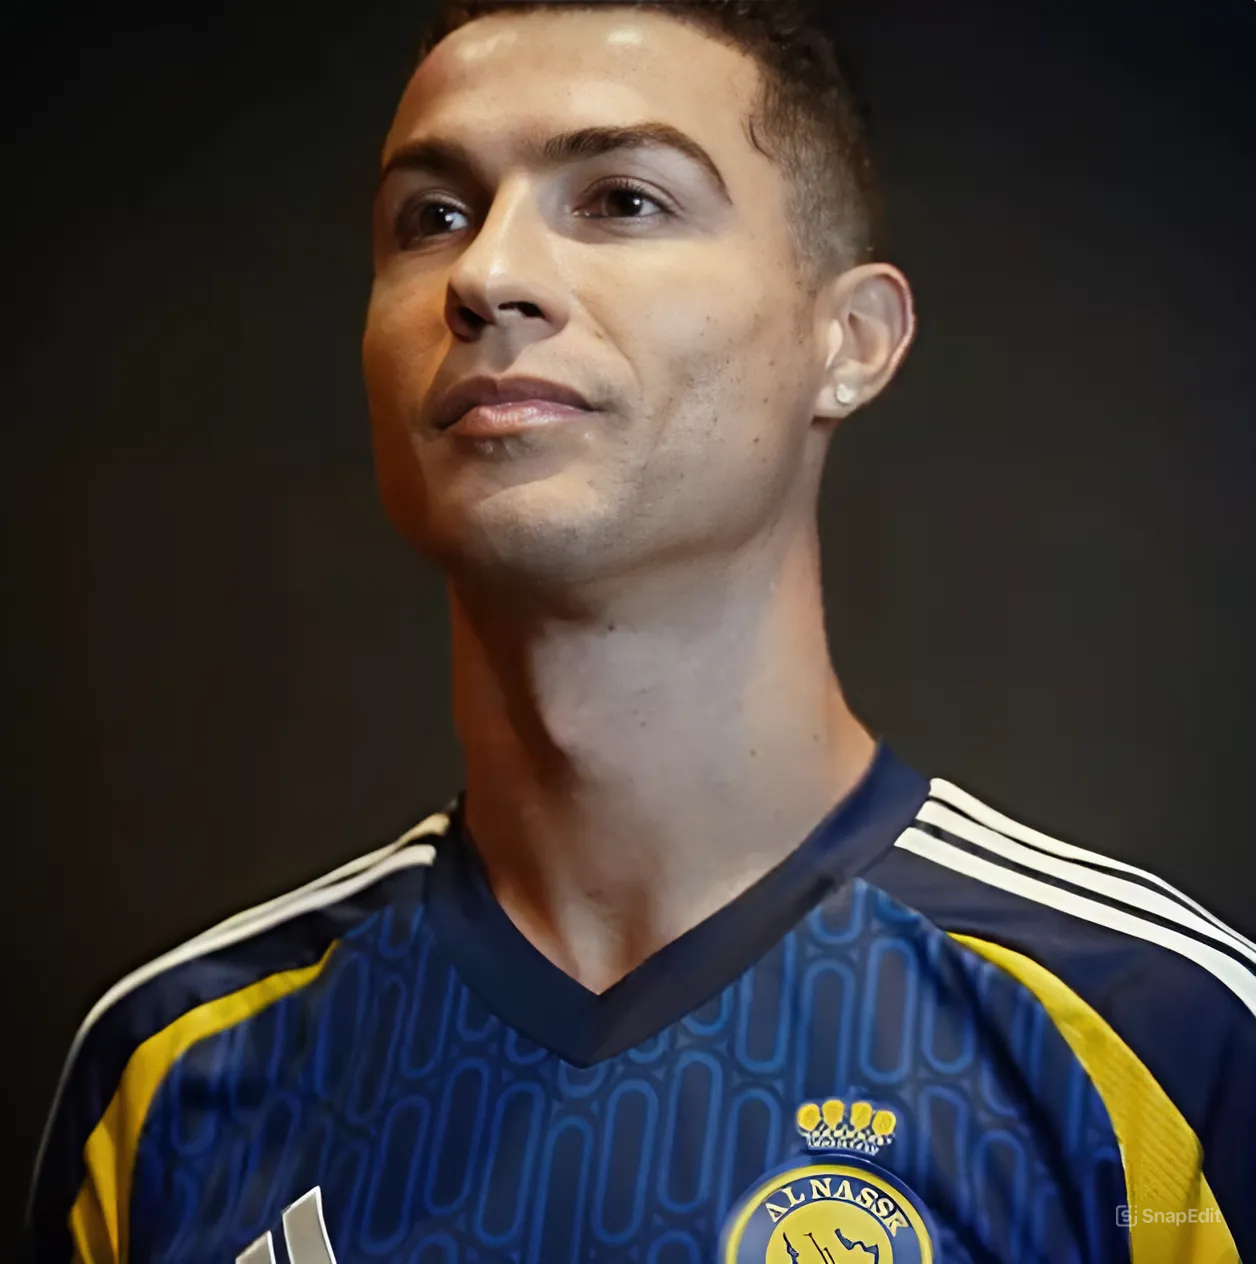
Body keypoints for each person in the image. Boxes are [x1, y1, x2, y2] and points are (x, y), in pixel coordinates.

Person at [27, 2, 1256, 1261]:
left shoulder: (1153, 1038)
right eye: (431, 217)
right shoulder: (173, 1079)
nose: (484, 276)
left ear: (850, 341)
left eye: (621, 200)